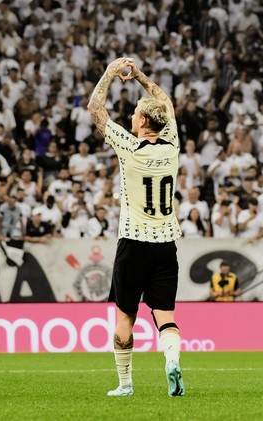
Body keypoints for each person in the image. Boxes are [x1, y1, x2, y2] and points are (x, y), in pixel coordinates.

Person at [89, 57, 185, 397]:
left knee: (125, 318)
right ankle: (172, 360)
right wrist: (141, 76)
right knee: (166, 317)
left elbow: (95, 107)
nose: (130, 118)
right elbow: (167, 104)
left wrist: (112, 72)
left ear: (142, 120)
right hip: (166, 243)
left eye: (134, 115)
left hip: (133, 242)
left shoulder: (129, 146)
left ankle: (125, 384)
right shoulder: (172, 144)